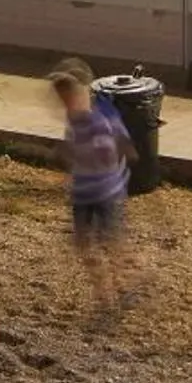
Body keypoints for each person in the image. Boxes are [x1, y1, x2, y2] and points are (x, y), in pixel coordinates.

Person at [49, 57, 141, 316]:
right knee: (84, 245)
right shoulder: (76, 120)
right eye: (62, 100)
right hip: (84, 192)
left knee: (111, 243)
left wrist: (77, 155)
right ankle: (105, 293)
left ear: (81, 94)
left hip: (105, 192)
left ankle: (125, 287)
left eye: (68, 98)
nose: (66, 104)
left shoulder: (98, 118)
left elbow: (108, 151)